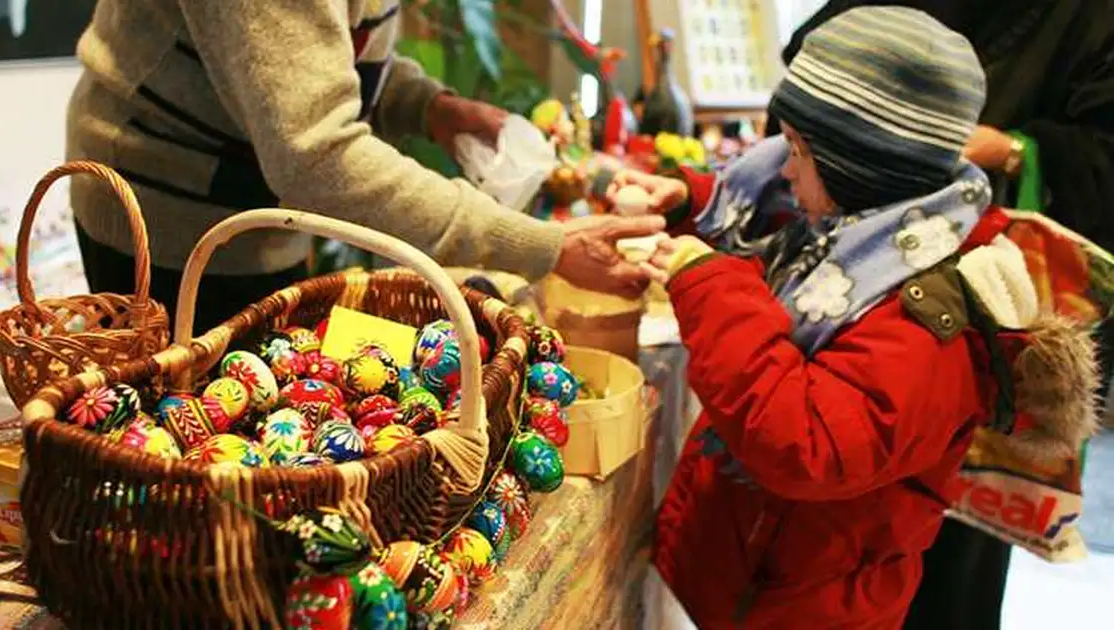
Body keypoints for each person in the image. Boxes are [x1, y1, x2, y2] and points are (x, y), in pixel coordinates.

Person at [606, 7, 1098, 628]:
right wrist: (692, 201)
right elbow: (778, 215)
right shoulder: (866, 228)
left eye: (798, 153)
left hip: (808, 606)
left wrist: (706, 281)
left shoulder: (933, 315)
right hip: (749, 569)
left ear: (862, 169)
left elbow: (802, 440)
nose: (782, 170)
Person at [767, 2, 1114, 627]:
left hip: (974, 306)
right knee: (841, 539)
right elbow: (811, 58)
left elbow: (1102, 159)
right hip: (856, 279)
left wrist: (1012, 151)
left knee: (940, 560)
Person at [67, 0, 662, 334]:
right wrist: (540, 246)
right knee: (190, 458)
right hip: (167, 207)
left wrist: (430, 107)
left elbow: (322, 56)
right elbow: (318, 156)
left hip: (250, 200)